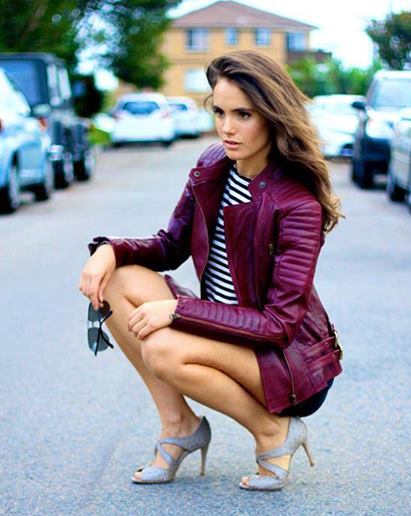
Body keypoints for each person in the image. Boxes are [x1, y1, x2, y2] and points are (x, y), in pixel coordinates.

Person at [78, 50, 343, 492]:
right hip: (220, 331)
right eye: (220, 112)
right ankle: (179, 425)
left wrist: (176, 311)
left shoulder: (296, 203)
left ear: (272, 116)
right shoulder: (213, 165)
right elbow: (170, 246)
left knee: (162, 349)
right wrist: (110, 250)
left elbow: (278, 325)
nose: (227, 128)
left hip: (282, 361)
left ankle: (273, 432)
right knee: (117, 279)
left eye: (243, 115)